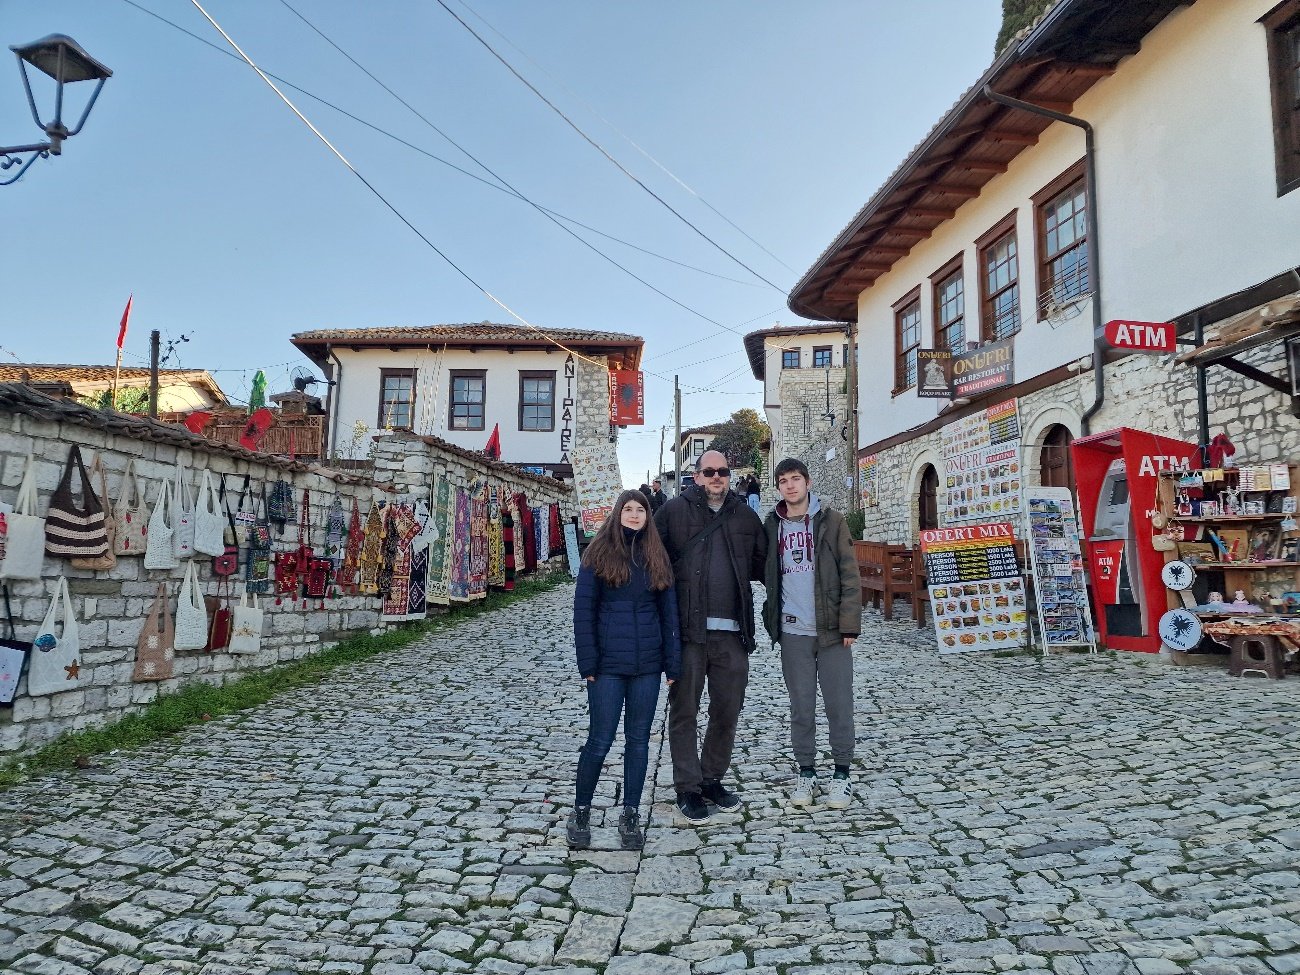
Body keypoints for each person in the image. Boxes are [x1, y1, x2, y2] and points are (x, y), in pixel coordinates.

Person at [655, 449, 767, 825]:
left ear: (729, 476)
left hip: (733, 634)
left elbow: (766, 565)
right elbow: (651, 559)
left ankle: (711, 779)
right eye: (709, 471)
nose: (716, 477)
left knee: (727, 711)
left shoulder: (746, 516)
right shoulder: (673, 512)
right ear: (697, 475)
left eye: (722, 471)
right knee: (684, 711)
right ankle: (687, 787)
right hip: (689, 633)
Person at [569, 490, 681, 851]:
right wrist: (588, 661)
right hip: (607, 667)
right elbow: (583, 612)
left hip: (647, 666)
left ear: (648, 516)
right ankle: (581, 810)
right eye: (628, 509)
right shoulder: (598, 554)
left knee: (638, 741)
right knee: (600, 740)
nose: (634, 514)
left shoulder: (656, 556)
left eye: (641, 510)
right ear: (618, 513)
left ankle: (630, 812)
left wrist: (672, 662)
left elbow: (669, 614)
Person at [762, 457, 862, 810]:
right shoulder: (771, 526)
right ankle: (806, 771)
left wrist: (849, 624)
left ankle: (842, 774)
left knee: (839, 704)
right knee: (801, 707)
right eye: (783, 481)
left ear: (807, 483)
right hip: (793, 633)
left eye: (795, 479)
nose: (790, 485)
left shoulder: (832, 522)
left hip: (832, 632)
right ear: (778, 487)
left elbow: (850, 573)